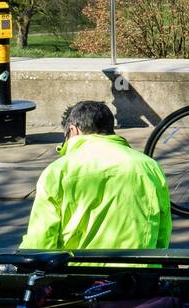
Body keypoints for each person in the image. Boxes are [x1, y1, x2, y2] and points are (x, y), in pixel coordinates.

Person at [20, 101, 171, 251]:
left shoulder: (58, 171)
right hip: (138, 270)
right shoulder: (148, 166)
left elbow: (40, 239)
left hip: (80, 270)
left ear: (74, 130)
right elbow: (163, 229)